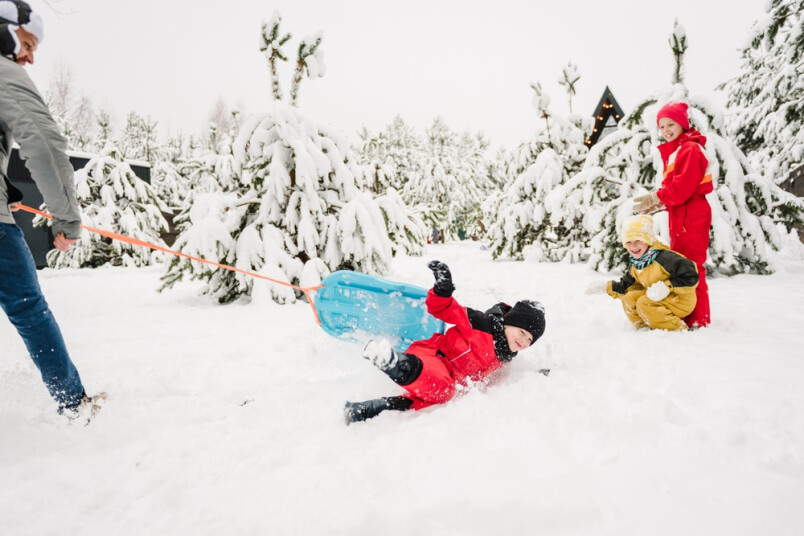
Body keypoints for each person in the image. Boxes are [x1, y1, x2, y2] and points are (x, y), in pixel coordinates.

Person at [1, 0, 103, 418]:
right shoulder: (5, 72)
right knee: (28, 308)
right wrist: (67, 219)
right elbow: (44, 144)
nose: (31, 55)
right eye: (27, 42)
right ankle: (74, 405)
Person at [344, 260, 546, 424]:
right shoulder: (481, 323)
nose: (523, 340)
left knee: (425, 398)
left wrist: (533, 377)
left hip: (445, 381)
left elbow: (511, 376)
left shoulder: (505, 355)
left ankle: (368, 408)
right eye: (521, 332)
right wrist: (442, 293)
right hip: (433, 356)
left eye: (530, 339)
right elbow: (444, 309)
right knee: (443, 389)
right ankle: (395, 363)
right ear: (507, 324)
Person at [632, 101, 712, 327]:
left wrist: (656, 197)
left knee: (692, 267)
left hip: (692, 216)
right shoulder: (680, 150)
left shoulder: (690, 149)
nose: (666, 130)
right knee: (683, 266)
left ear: (683, 124)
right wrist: (657, 204)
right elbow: (678, 192)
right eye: (662, 126)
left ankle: (699, 319)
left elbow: (683, 188)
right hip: (682, 215)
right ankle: (687, 313)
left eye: (671, 124)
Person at [587, 215, 699, 331]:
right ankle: (645, 328)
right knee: (628, 297)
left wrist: (667, 286)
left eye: (638, 240)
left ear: (648, 240)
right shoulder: (637, 263)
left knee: (644, 303)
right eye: (629, 242)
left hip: (680, 299)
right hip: (655, 297)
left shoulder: (664, 258)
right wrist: (606, 287)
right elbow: (625, 286)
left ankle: (677, 329)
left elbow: (691, 275)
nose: (633, 246)